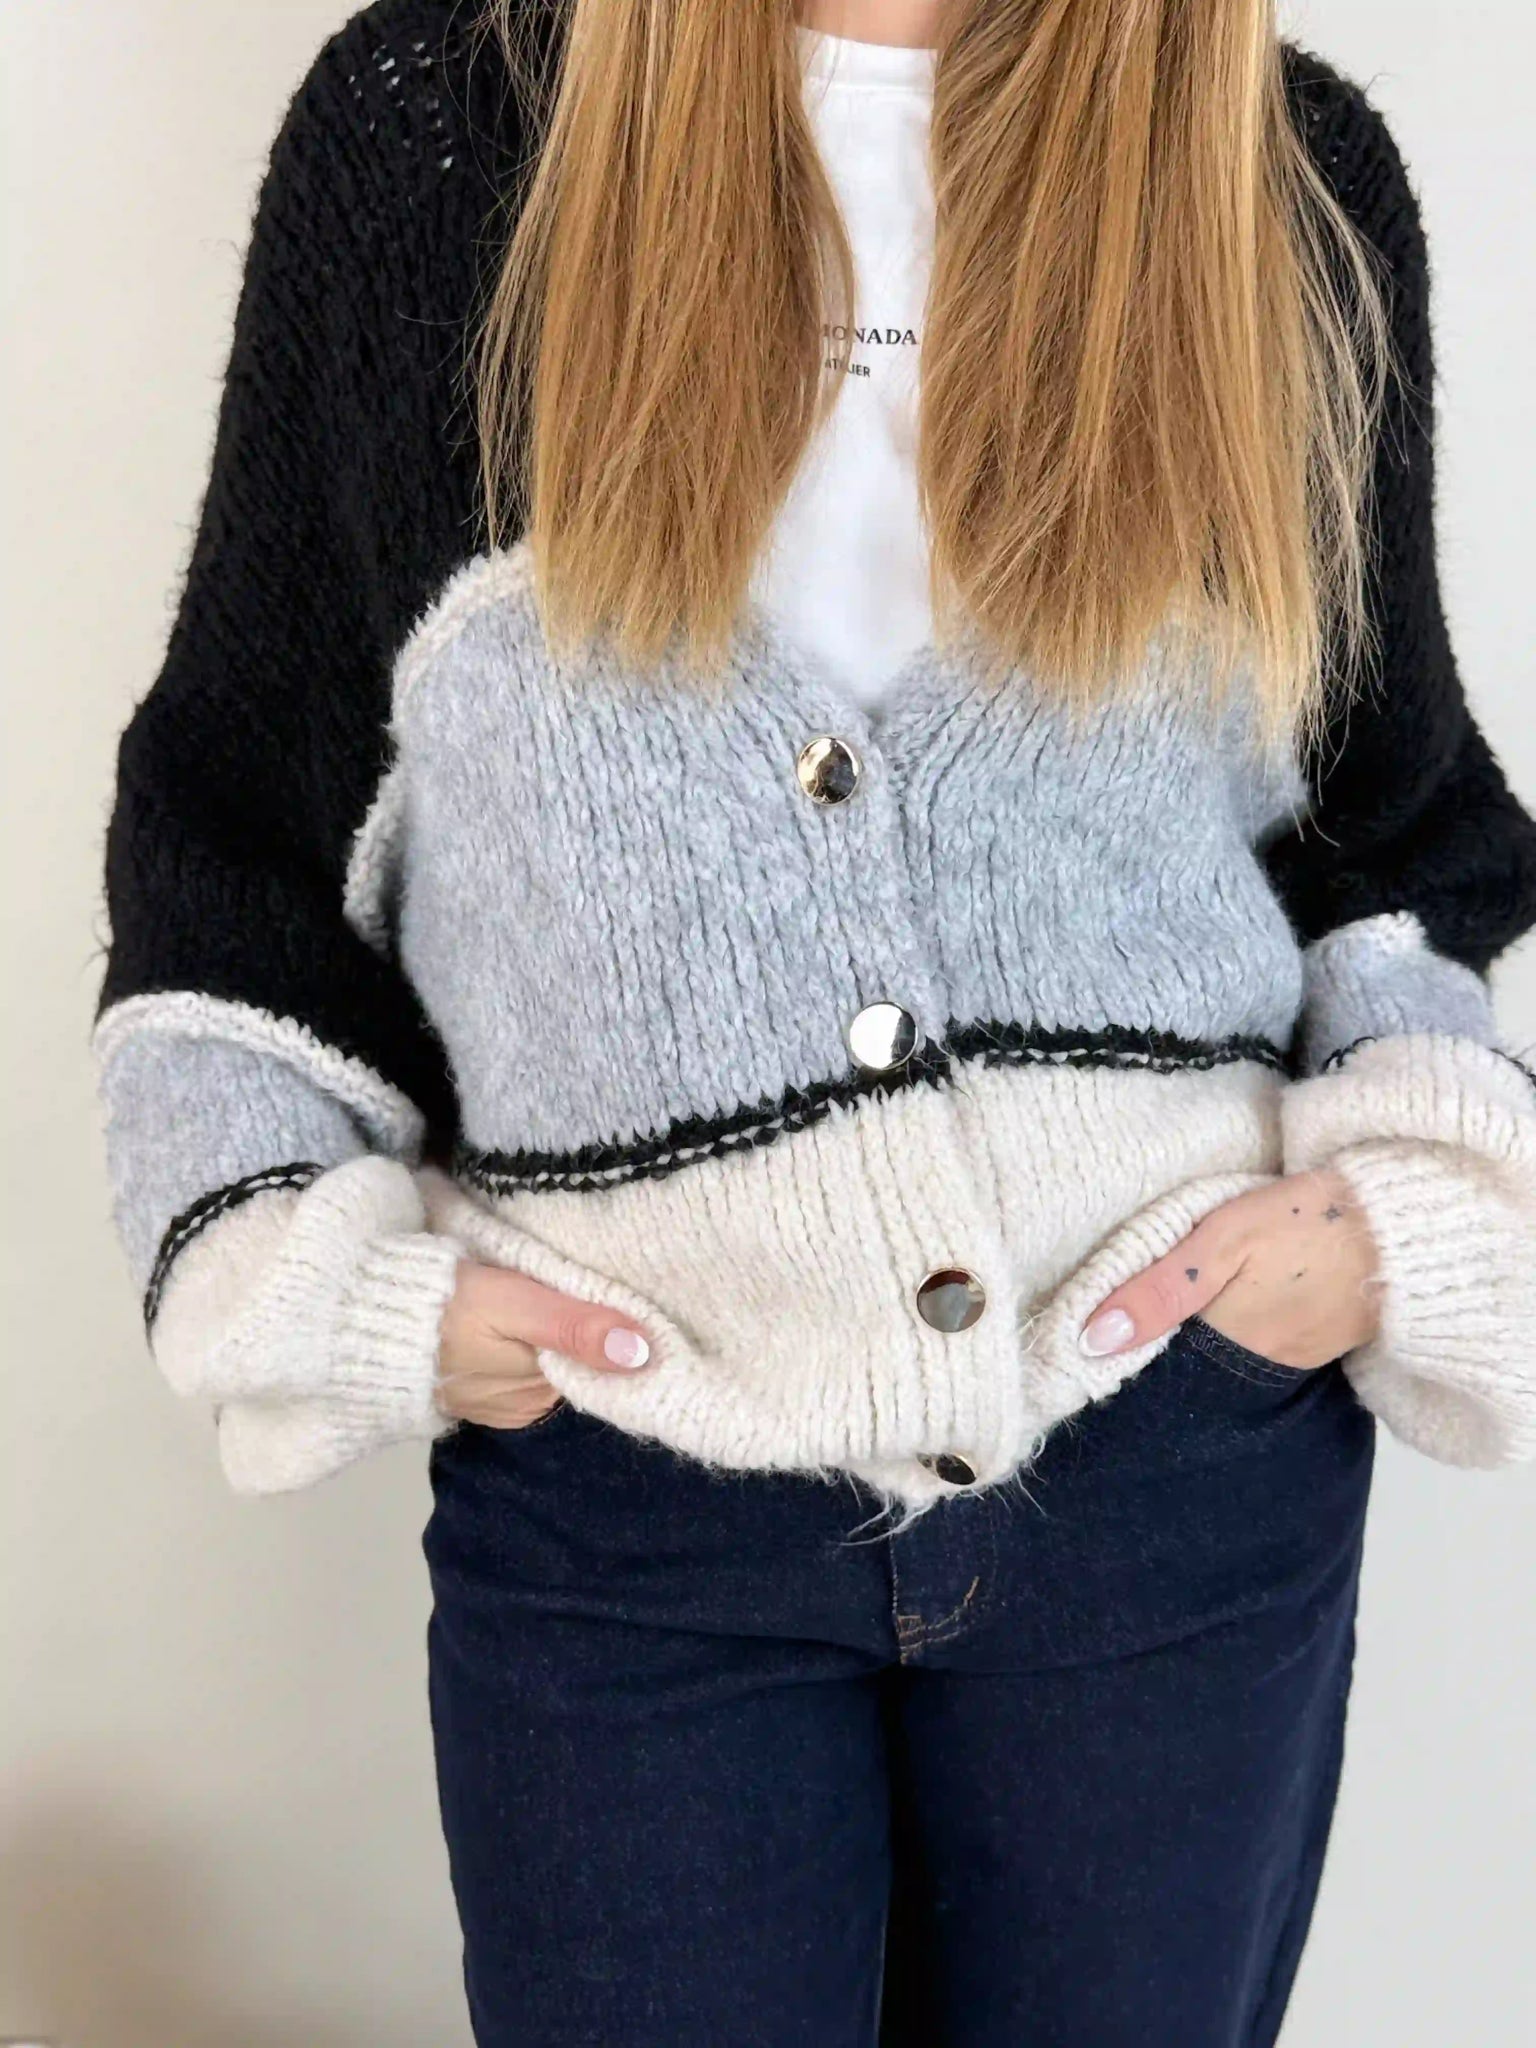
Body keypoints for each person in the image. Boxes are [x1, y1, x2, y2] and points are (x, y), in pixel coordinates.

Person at [92, 1, 1536, 2041]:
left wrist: (1388, 1227)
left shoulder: (1280, 182)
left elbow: (1386, 837)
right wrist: (329, 1291)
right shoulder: (434, 145)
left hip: (1180, 1471)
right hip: (625, 1495)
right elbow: (248, 840)